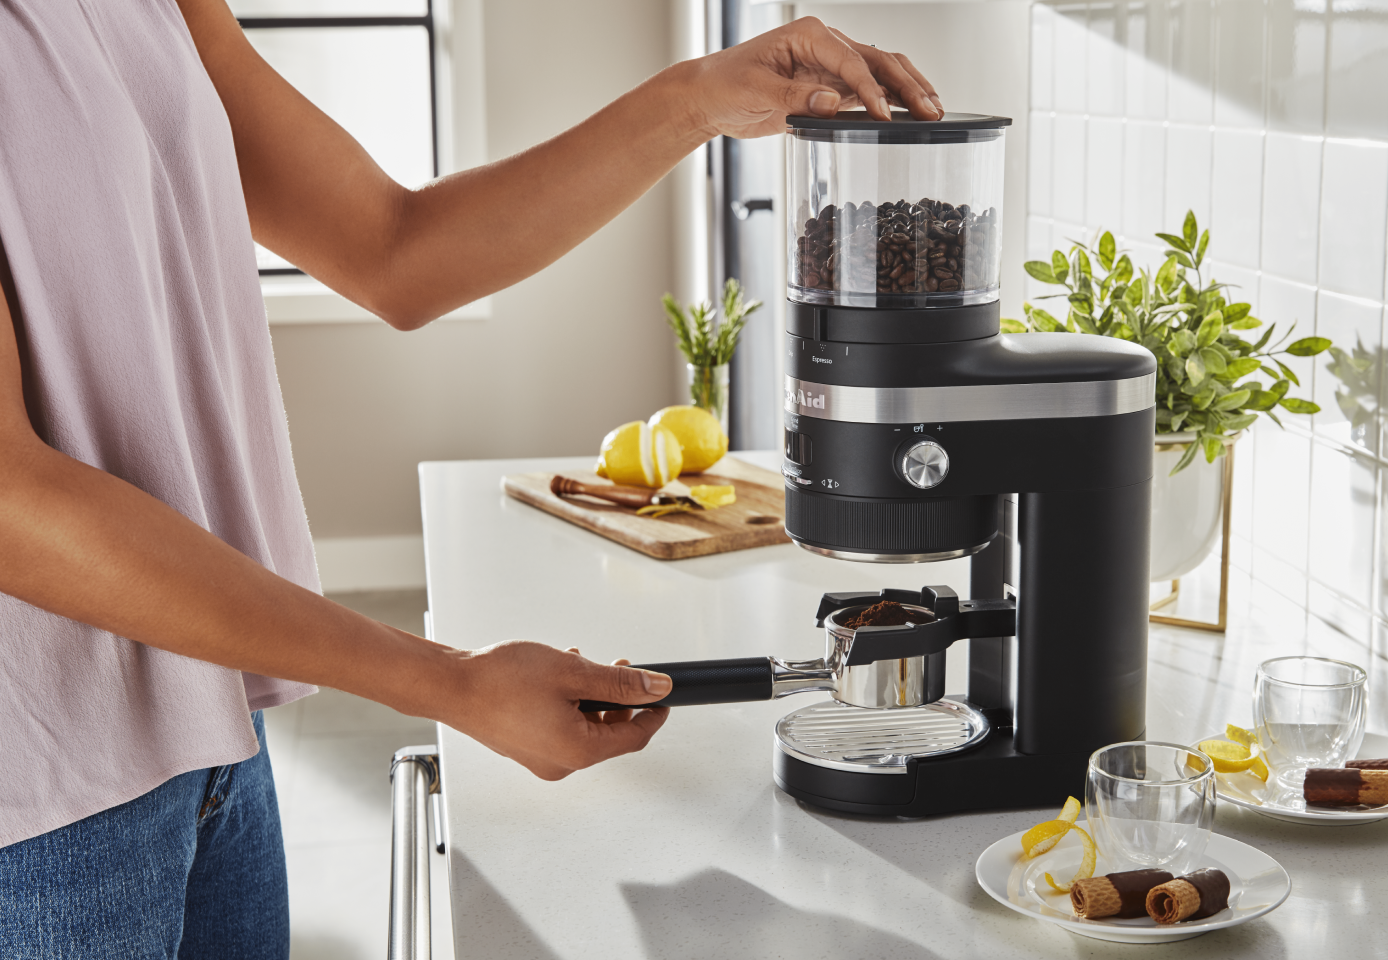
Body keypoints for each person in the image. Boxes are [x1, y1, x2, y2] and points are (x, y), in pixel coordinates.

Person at [0, 0, 941, 954]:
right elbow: (8, 499)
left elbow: (395, 248)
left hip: (204, 737)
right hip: (35, 809)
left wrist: (697, 102)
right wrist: (447, 682)